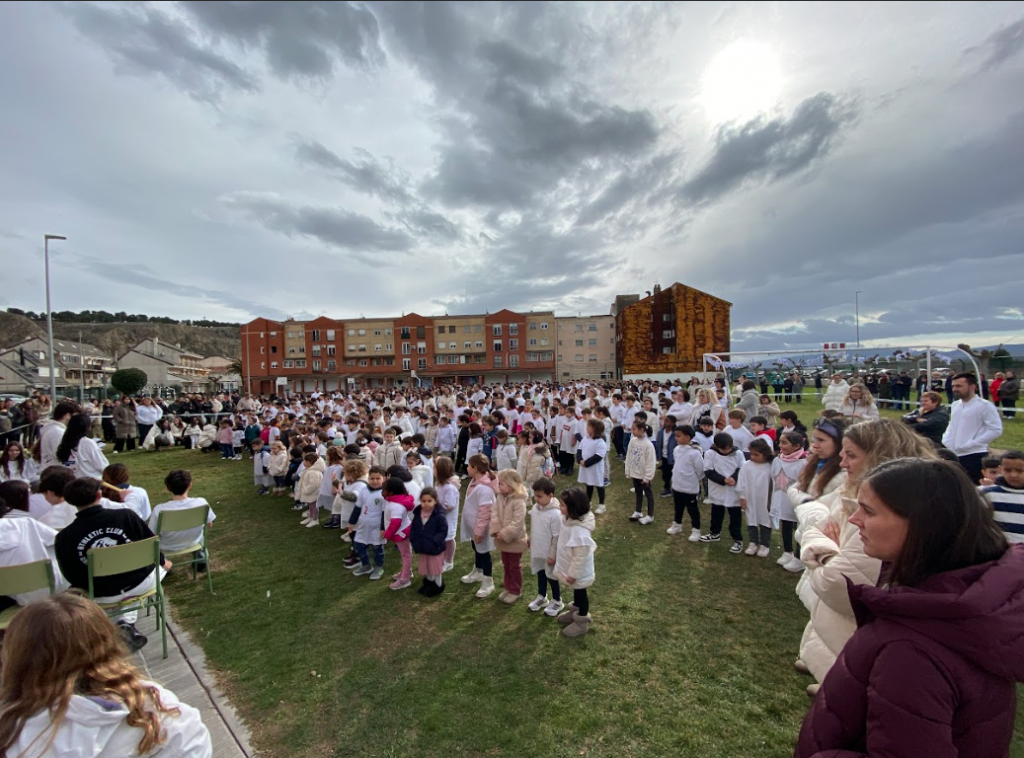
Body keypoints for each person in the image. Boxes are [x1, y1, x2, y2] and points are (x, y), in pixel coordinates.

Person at [795, 458, 1023, 758]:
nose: (855, 520)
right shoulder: (966, 608)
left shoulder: (911, 648)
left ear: (923, 526)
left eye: (869, 511)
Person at [794, 419, 938, 692]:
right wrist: (821, 539)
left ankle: (837, 680)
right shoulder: (853, 491)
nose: (843, 463)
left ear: (880, 456)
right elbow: (811, 518)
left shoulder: (887, 514)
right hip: (841, 626)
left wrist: (823, 553)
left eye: (851, 455)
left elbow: (840, 586)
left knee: (851, 679)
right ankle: (826, 668)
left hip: (857, 626)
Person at [0, 593, 211, 757]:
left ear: (17, 656)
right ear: (108, 642)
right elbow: (193, 745)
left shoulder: (15, 735)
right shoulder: (159, 710)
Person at [54, 478, 170, 652]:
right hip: (140, 582)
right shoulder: (126, 516)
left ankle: (120, 626)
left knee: (104, 592)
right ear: (99, 495)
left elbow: (71, 575)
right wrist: (162, 561)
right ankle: (124, 624)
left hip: (101, 592)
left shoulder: (64, 537)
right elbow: (152, 545)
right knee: (153, 572)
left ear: (70, 502)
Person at [941, 372, 1003, 483]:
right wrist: (946, 439)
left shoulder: (985, 406)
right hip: (953, 454)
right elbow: (952, 424)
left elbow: (995, 429)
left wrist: (972, 444)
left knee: (972, 487)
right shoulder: (956, 405)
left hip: (974, 455)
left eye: (959, 386)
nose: (955, 389)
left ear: (972, 386)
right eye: (953, 386)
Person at [552, 487, 597, 638]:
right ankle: (574, 611)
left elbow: (580, 556)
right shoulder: (567, 519)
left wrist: (573, 574)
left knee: (581, 592)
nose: (559, 507)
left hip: (579, 571)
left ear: (573, 508)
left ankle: (581, 621)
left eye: (562, 505)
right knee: (577, 591)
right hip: (570, 564)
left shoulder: (580, 531)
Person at [148, 470, 216, 566]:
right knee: (201, 534)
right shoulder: (201, 503)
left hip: (167, 545)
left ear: (168, 488)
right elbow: (209, 524)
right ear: (190, 485)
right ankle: (201, 559)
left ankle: (163, 565)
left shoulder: (159, 509)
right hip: (193, 541)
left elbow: (151, 534)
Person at [459, 454, 499, 598]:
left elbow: (485, 512)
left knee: (483, 552)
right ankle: (478, 571)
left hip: (481, 528)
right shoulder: (475, 481)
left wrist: (480, 531)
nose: (467, 468)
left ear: (475, 468)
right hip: (474, 526)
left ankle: (488, 581)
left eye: (469, 466)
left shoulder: (484, 489)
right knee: (476, 548)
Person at [700, 432, 746, 552]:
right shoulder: (710, 454)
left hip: (734, 490)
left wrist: (734, 478)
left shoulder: (738, 454)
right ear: (717, 446)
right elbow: (708, 470)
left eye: (728, 448)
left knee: (735, 517)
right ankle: (714, 533)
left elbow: (742, 468)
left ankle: (737, 539)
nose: (726, 451)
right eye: (723, 449)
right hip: (717, 489)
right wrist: (723, 480)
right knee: (716, 513)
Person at [490, 469, 528, 604]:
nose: (499, 486)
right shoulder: (500, 497)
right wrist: (497, 530)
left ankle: (515, 590)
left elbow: (517, 522)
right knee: (506, 564)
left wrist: (505, 533)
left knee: (514, 566)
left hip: (515, 540)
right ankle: (508, 587)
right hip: (502, 538)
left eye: (502, 483)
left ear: (512, 484)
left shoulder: (519, 501)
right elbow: (494, 513)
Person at [526, 477, 563, 616]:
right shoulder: (536, 508)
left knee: (552, 576)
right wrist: (531, 538)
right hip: (538, 549)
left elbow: (556, 537)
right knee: (540, 572)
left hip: (549, 552)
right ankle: (542, 597)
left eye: (539, 496)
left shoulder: (555, 514)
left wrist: (552, 555)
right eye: (535, 495)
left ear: (550, 495)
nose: (536, 499)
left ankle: (557, 600)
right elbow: (535, 526)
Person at [346, 465, 387, 580]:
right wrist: (352, 522)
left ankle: (378, 567)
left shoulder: (384, 494)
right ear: (368, 478)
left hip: (377, 527)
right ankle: (366, 565)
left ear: (384, 479)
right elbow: (358, 507)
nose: (374, 481)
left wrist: (383, 528)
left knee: (377, 548)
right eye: (372, 478)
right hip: (363, 525)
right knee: (359, 545)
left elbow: (385, 513)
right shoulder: (364, 490)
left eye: (378, 478)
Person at [667, 425, 704, 541]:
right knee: (678, 507)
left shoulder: (695, 453)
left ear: (688, 437)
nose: (676, 438)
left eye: (679, 436)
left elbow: (700, 470)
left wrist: (693, 480)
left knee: (692, 510)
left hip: (690, 488)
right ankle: (677, 524)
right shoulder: (676, 449)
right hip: (677, 486)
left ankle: (696, 530)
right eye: (676, 436)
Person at [738, 438, 774, 557]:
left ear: (765, 454)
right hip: (750, 499)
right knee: (751, 520)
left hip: (765, 500)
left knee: (765, 521)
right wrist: (742, 497)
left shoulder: (770, 467)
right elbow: (741, 482)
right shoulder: (747, 466)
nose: (753, 457)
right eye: (751, 454)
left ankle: (764, 545)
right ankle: (753, 543)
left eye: (756, 454)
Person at [409, 486, 447, 596]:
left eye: (429, 501)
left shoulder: (439, 515)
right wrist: (413, 538)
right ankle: (429, 582)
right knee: (427, 566)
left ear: (435, 501)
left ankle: (438, 585)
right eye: (423, 501)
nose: (426, 504)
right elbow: (414, 527)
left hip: (435, 548)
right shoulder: (418, 514)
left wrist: (435, 541)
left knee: (435, 568)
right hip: (423, 546)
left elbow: (443, 530)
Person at [980, 450, 1024, 544]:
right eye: (1008, 470)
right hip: (998, 548)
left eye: (1019, 471)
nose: (1013, 475)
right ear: (1000, 469)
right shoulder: (986, 494)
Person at [381, 477, 415, 590]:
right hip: (402, 530)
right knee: (406, 554)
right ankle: (407, 572)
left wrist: (387, 535)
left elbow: (395, 523)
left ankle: (405, 579)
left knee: (406, 555)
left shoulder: (396, 506)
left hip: (401, 533)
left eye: (383, 489)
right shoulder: (395, 501)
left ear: (391, 492)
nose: (382, 492)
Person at [56, 411, 110, 480]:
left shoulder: (65, 442)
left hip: (72, 481)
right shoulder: (87, 443)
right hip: (89, 481)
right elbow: (101, 465)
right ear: (86, 427)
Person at [625, 420, 656, 524]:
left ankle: (650, 515)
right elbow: (629, 456)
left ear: (641, 430)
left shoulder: (648, 445)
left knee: (648, 494)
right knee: (638, 492)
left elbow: (651, 462)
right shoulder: (632, 441)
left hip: (644, 475)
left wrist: (647, 477)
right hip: (635, 473)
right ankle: (638, 511)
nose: (632, 431)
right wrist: (628, 471)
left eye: (634, 429)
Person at [434, 455, 460, 572]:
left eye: (435, 468)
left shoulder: (450, 488)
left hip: (447, 519)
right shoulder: (438, 484)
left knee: (448, 539)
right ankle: (442, 558)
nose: (433, 470)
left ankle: (449, 561)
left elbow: (449, 505)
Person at [577, 418, 607, 514]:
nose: (586, 428)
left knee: (599, 485)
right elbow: (580, 449)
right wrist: (580, 459)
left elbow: (598, 456)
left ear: (594, 428)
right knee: (589, 483)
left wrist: (586, 463)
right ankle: (588, 502)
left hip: (595, 468)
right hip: (585, 467)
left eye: (588, 426)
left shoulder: (600, 442)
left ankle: (601, 505)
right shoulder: (585, 438)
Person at [38, 399, 79, 469]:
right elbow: (59, 454)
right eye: (75, 416)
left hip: (52, 468)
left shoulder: (53, 428)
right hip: (56, 470)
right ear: (68, 415)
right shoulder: (58, 432)